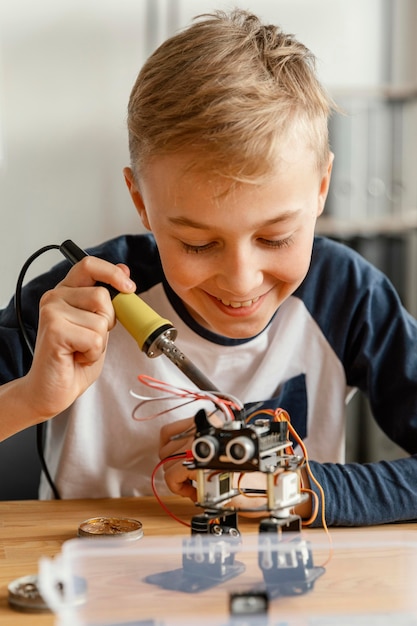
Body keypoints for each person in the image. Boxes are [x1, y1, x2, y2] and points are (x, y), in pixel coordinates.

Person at [1, 9, 417, 527]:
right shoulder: (82, 299)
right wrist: (29, 397)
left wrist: (299, 487)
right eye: (197, 243)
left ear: (321, 187)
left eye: (275, 237)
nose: (241, 280)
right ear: (142, 202)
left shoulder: (348, 295)